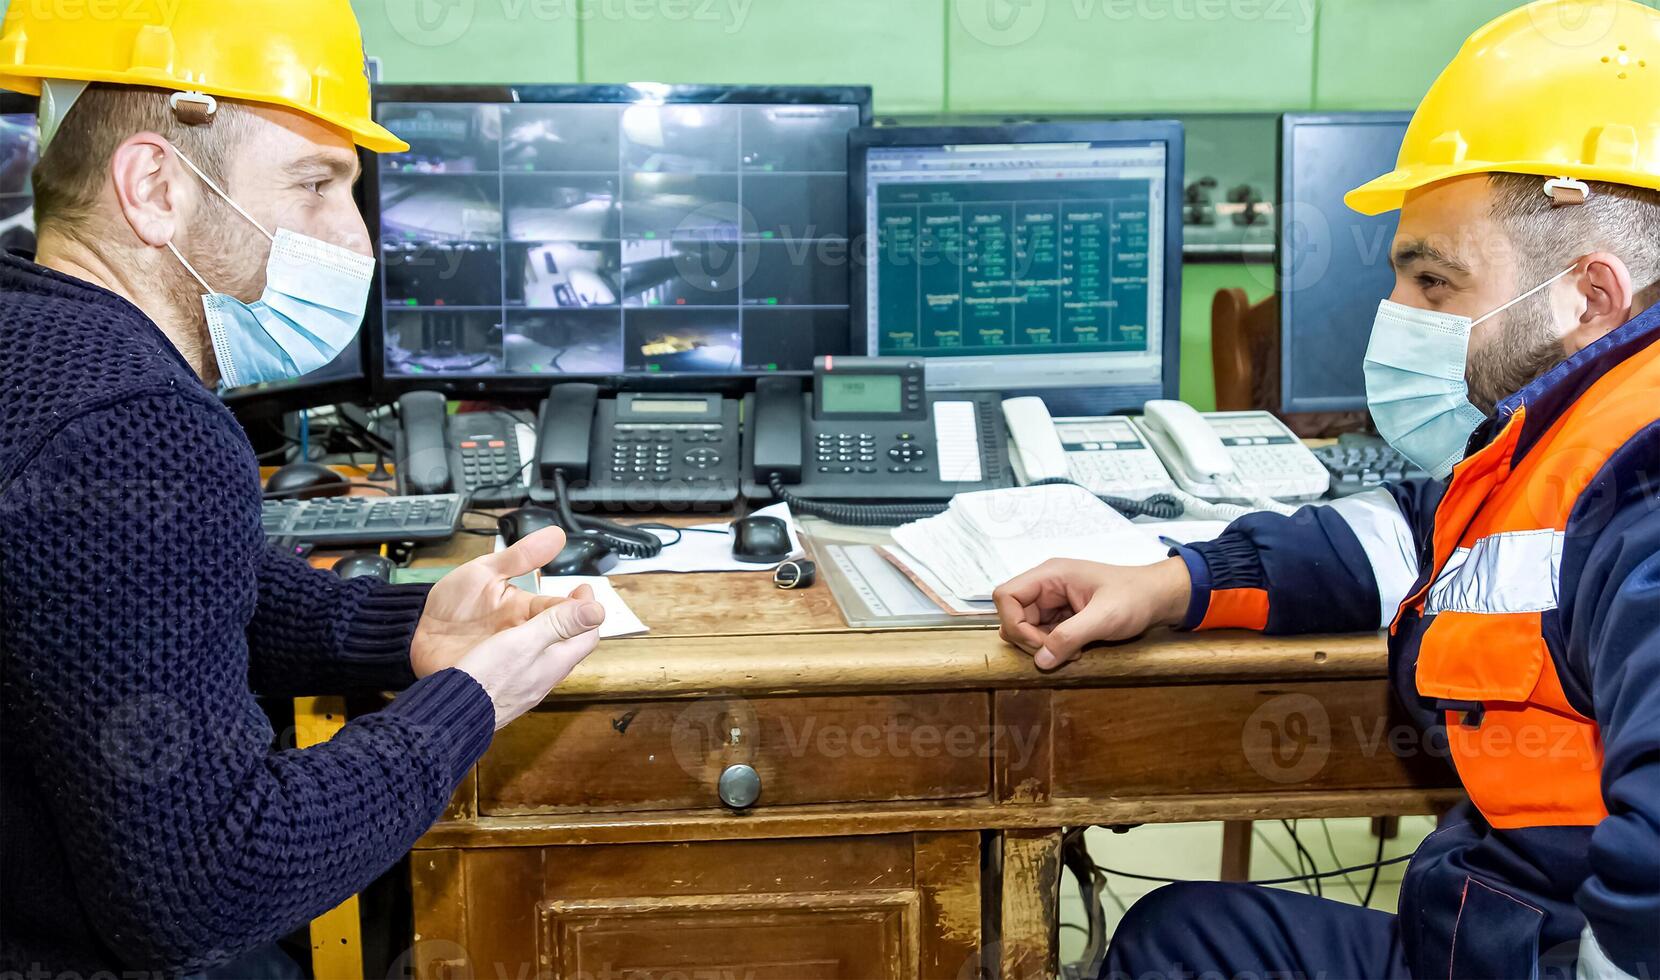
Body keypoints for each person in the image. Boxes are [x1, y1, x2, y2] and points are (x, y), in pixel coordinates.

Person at [993, 2, 1659, 979]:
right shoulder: (1561, 443)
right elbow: (1407, 536)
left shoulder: (1637, 491)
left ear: (1587, 299)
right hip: (1479, 929)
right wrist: (1170, 582)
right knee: (1181, 935)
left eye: (1434, 282)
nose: (1397, 313)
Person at [0, 2, 607, 975]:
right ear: (154, 185)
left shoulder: (33, 335)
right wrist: (464, 702)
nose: (357, 240)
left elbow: (155, 594)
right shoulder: (130, 425)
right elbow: (212, 885)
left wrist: (400, 629)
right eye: (316, 183)